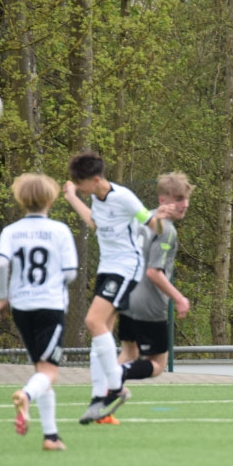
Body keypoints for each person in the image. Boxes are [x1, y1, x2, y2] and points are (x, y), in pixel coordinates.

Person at [64, 152, 177, 425]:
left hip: (126, 267)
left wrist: (160, 217)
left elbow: (153, 225)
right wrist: (73, 198)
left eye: (80, 183)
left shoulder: (124, 197)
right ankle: (98, 397)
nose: (78, 186)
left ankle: (115, 386)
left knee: (92, 321)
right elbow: (95, 224)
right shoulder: (95, 198)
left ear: (95, 179)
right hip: (107, 268)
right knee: (99, 331)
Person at [94, 172, 195, 425]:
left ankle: (103, 406)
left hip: (125, 296)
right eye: (178, 199)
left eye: (186, 199)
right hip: (148, 303)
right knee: (158, 364)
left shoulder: (141, 219)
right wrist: (179, 298)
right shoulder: (166, 230)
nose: (184, 204)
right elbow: (154, 272)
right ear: (163, 200)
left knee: (129, 351)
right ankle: (115, 376)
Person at [0, 173, 78, 451]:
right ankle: (26, 396)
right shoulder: (59, 231)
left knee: (41, 371)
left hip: (21, 307)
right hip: (50, 306)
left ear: (21, 200)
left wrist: (3, 297)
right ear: (51, 200)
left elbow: (1, 264)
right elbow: (70, 273)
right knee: (49, 372)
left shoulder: (11, 231)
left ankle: (51, 437)